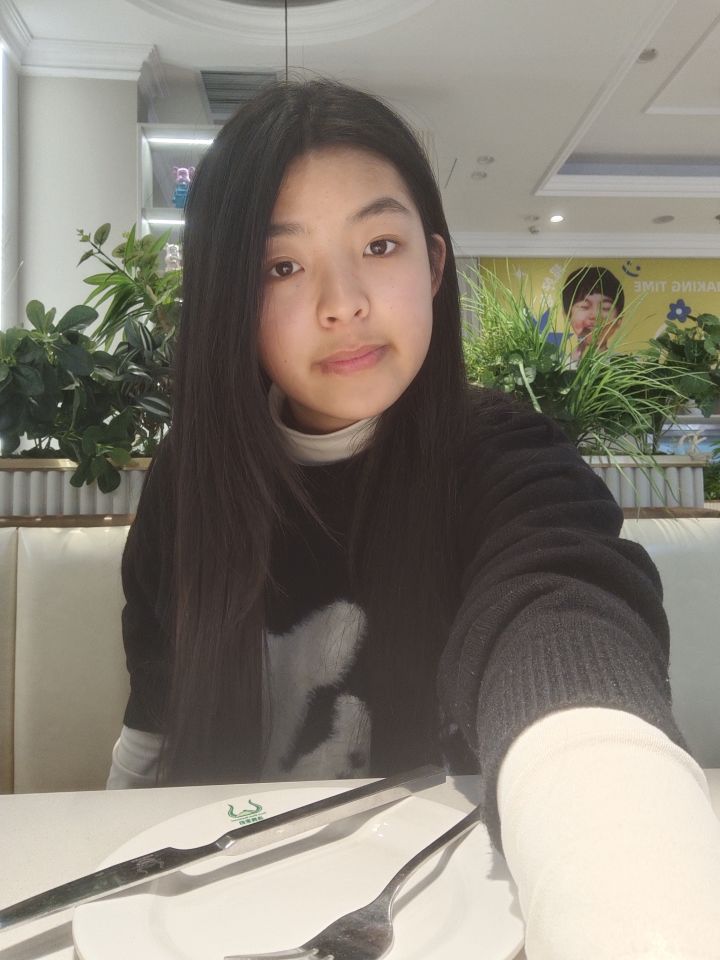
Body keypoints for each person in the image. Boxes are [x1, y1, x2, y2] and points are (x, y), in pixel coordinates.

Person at [107, 80, 720, 957]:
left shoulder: (500, 453)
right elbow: (152, 720)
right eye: (282, 266)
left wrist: (625, 888)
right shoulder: (191, 479)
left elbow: (562, 618)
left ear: (432, 266)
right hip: (213, 916)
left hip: (444, 916)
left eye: (379, 245)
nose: (343, 302)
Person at [562, 265, 625, 362]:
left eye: (605, 308)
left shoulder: (629, 366)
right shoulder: (557, 368)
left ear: (619, 320)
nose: (595, 315)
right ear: (567, 316)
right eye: (584, 306)